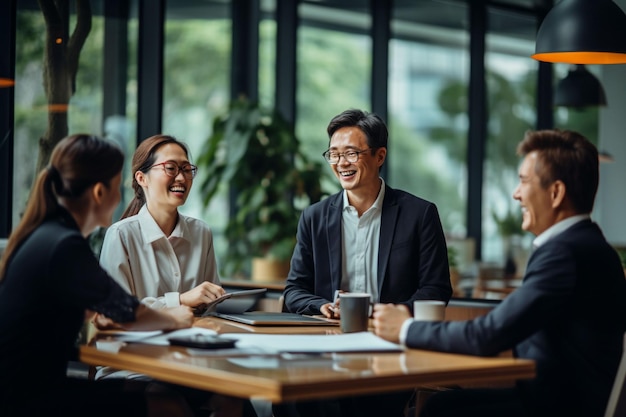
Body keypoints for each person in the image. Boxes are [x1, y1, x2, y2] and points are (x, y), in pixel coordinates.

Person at [373, 129, 626, 417]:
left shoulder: (564, 253)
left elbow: (488, 335)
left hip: (561, 406)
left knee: (442, 410)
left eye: (524, 181)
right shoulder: (590, 245)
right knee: (443, 404)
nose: (516, 194)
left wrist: (404, 327)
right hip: (561, 398)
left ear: (555, 193)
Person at [0, 134, 196, 417]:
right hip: (25, 399)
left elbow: (105, 306)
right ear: (99, 193)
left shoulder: (48, 234)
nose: (120, 199)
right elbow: (126, 310)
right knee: (169, 406)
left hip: (24, 387)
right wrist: (174, 317)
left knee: (148, 393)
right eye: (117, 188)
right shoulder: (65, 245)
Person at [279, 109, 452, 417]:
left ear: (379, 155)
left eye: (351, 153)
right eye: (333, 154)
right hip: (327, 347)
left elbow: (436, 288)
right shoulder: (314, 217)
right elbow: (294, 289)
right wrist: (322, 306)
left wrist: (388, 315)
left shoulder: (419, 214)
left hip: (388, 347)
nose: (341, 163)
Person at [98, 134, 224, 311]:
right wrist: (180, 300)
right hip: (139, 339)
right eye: (171, 168)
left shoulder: (201, 232)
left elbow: (212, 305)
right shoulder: (121, 235)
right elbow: (115, 310)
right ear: (142, 178)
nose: (181, 178)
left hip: (197, 336)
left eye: (186, 169)